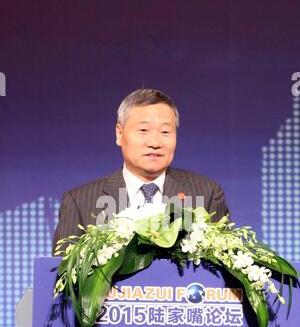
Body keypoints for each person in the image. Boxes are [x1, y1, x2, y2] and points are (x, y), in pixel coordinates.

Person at [53, 88, 229, 250]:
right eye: (143, 130)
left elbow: (226, 274)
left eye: (165, 132)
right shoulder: (80, 202)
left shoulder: (206, 194)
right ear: (119, 134)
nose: (155, 143)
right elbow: (62, 278)